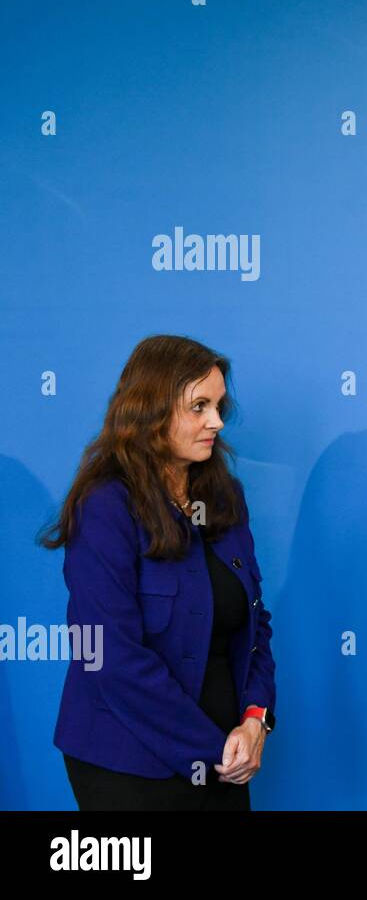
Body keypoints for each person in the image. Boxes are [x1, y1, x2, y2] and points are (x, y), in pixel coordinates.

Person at [43, 335, 276, 810]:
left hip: (225, 757)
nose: (216, 421)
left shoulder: (223, 497)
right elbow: (108, 657)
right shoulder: (105, 508)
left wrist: (255, 720)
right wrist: (213, 749)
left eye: (218, 406)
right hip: (128, 763)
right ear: (151, 411)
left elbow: (255, 624)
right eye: (199, 406)